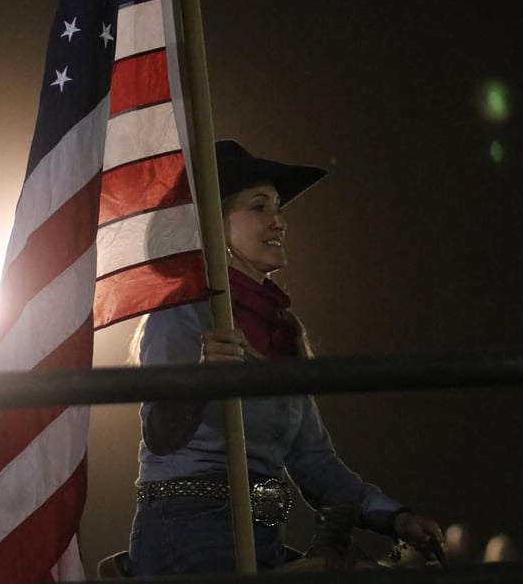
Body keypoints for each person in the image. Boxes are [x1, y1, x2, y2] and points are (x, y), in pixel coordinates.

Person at [127, 139, 445, 575]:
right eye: (260, 207)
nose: (280, 220)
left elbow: (313, 459)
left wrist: (395, 517)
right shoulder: (180, 313)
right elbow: (160, 432)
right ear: (213, 225)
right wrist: (200, 380)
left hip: (263, 538)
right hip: (187, 532)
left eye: (278, 207)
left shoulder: (284, 331)